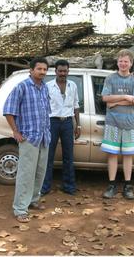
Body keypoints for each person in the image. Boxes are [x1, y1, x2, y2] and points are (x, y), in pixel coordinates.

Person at [3, 57, 52, 223]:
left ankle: (33, 200)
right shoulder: (22, 87)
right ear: (31, 70)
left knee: (40, 172)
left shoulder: (44, 88)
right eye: (39, 69)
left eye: (45, 69)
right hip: (29, 137)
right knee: (26, 174)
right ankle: (20, 208)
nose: (42, 72)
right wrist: (15, 131)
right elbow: (9, 110)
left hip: (44, 137)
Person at [101, 49, 134, 200]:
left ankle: (127, 186)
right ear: (117, 62)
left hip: (129, 122)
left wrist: (115, 101)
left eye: (126, 61)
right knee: (112, 154)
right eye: (121, 61)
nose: (123, 64)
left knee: (128, 155)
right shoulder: (110, 78)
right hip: (112, 122)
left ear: (131, 63)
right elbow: (105, 98)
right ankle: (111, 185)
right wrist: (125, 96)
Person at [41, 59, 81, 196]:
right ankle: (45, 187)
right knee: (49, 155)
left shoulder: (73, 86)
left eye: (65, 71)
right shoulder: (48, 86)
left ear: (68, 71)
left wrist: (78, 125)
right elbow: (43, 106)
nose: (63, 73)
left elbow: (76, 106)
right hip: (52, 122)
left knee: (68, 156)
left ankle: (69, 186)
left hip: (67, 123)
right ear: (55, 71)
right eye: (60, 71)